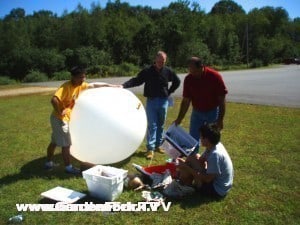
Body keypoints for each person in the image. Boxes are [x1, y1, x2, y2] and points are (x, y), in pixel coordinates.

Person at [45, 66, 120, 174]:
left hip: (60, 119)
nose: (83, 79)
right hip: (60, 119)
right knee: (66, 144)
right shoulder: (66, 86)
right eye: (80, 77)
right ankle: (68, 168)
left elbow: (94, 85)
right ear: (73, 77)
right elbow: (54, 100)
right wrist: (60, 111)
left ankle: (48, 163)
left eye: (84, 77)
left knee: (55, 141)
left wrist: (112, 86)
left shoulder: (81, 85)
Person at [122, 51, 180, 160]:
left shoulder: (168, 71)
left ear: (165, 61)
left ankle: (158, 145)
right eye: (159, 61)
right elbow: (137, 80)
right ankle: (150, 148)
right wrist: (123, 85)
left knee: (161, 124)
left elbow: (177, 81)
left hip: (163, 101)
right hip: (151, 101)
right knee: (152, 125)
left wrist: (169, 91)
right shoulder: (147, 71)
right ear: (155, 60)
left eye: (163, 61)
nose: (160, 63)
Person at [174, 57, 228, 152]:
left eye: (194, 71)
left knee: (211, 140)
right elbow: (186, 101)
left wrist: (220, 119)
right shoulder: (188, 79)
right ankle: (194, 162)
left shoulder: (215, 76)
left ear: (201, 67)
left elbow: (222, 99)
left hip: (212, 112)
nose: (192, 74)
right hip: (197, 113)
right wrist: (180, 118)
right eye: (190, 71)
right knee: (192, 141)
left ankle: (211, 160)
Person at [176, 123, 234, 198]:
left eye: (201, 137)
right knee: (193, 157)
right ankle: (184, 181)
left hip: (217, 190)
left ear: (206, 139)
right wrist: (186, 163)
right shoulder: (214, 145)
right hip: (217, 182)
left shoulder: (215, 155)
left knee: (189, 167)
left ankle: (184, 184)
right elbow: (200, 159)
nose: (200, 139)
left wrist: (187, 168)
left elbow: (207, 179)